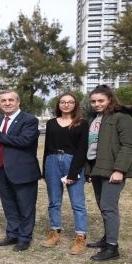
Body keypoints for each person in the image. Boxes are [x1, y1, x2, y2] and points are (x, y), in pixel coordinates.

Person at [86, 84, 132, 261]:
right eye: (93, 101)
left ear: (110, 99)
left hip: (113, 171)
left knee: (109, 207)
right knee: (103, 206)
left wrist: (119, 170)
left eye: (101, 100)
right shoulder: (94, 119)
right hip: (97, 170)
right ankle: (107, 238)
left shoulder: (121, 118)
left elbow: (129, 146)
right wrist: (88, 170)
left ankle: (112, 247)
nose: (96, 104)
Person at [0, 90, 41, 252]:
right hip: (2, 169)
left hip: (23, 171)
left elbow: (24, 141)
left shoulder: (29, 120)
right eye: (3, 101)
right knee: (9, 205)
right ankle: (12, 234)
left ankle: (24, 238)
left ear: (18, 102)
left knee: (25, 206)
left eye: (11, 100)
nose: (7, 103)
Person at [41, 93, 89, 255]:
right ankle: (55, 232)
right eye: (63, 102)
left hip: (72, 162)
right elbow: (47, 147)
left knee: (77, 203)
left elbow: (83, 149)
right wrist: (44, 169)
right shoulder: (51, 123)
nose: (66, 104)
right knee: (54, 201)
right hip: (52, 162)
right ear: (58, 104)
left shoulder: (82, 124)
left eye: (70, 102)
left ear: (75, 105)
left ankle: (80, 237)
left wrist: (74, 173)